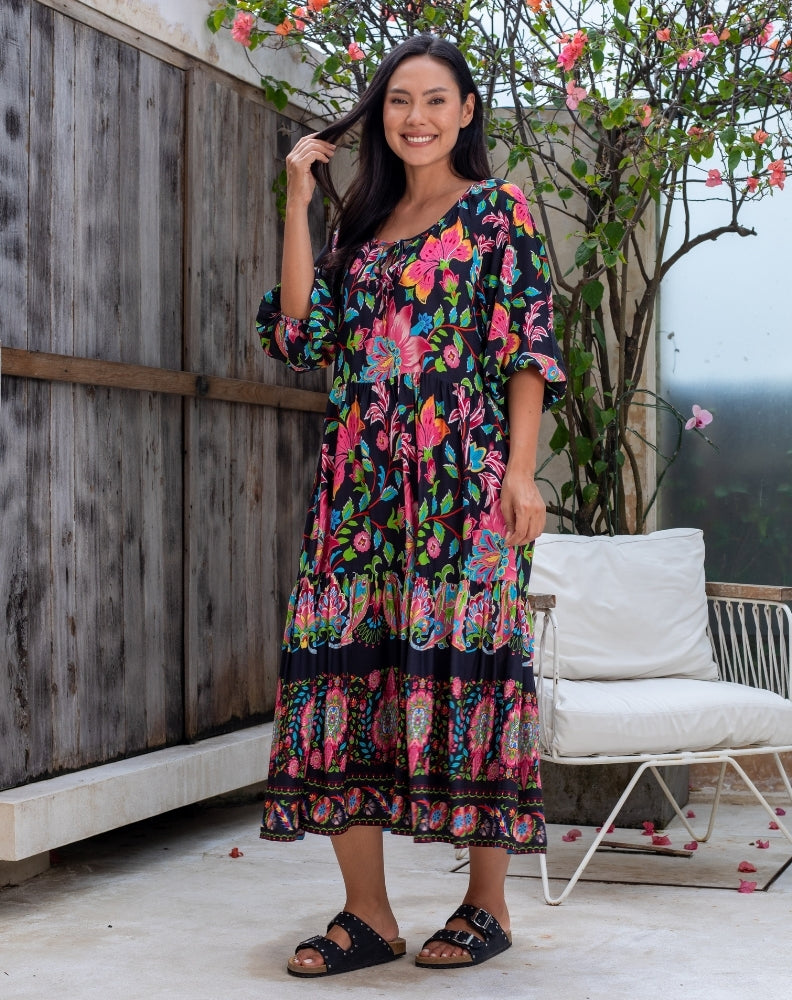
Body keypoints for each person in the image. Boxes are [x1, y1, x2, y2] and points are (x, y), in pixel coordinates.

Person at [256, 33, 566, 978]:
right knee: (342, 677)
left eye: (436, 100)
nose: (416, 118)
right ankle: (368, 915)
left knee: (472, 674)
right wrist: (300, 204)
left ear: (466, 113)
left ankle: (485, 905)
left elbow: (527, 353)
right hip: (358, 493)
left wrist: (520, 472)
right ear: (379, 116)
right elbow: (300, 335)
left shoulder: (496, 214)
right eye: (399, 101)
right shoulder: (360, 226)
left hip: (462, 490)